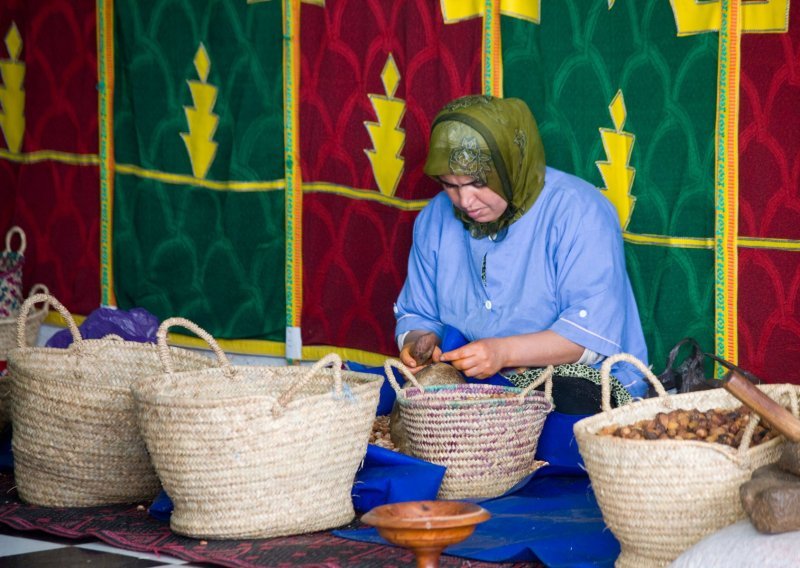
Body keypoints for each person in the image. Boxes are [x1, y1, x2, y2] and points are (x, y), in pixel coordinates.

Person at [393, 94, 649, 399]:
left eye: (477, 183)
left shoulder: (580, 212)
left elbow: (589, 340)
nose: (465, 201)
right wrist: (418, 344)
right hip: (480, 382)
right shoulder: (436, 217)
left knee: (570, 407)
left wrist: (503, 352)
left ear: (512, 166)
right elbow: (419, 314)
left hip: (584, 381)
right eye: (450, 185)